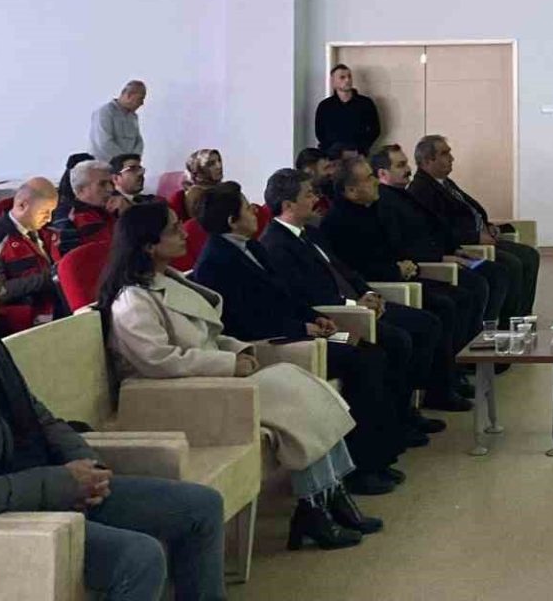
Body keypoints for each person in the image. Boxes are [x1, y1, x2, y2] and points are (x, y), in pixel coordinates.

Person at [0, 237, 227, 600]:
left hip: (51, 487)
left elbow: (36, 414)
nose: (3, 290)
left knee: (201, 507)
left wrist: (84, 463)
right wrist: (59, 483)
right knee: (139, 557)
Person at [99, 203, 375, 551]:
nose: (185, 232)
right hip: (179, 396)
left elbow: (209, 335)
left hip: (209, 380)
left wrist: (238, 350)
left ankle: (329, 496)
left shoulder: (168, 279)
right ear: (148, 245)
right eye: (173, 229)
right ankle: (315, 506)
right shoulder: (133, 300)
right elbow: (159, 361)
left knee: (306, 389)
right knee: (296, 404)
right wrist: (228, 364)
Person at [190, 183, 410, 494]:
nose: (254, 211)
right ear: (231, 220)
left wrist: (314, 317)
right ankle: (362, 469)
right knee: (361, 362)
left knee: (367, 348)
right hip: (278, 343)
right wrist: (302, 328)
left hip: (302, 331)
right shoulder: (216, 261)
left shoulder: (251, 247)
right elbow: (245, 320)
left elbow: (287, 295)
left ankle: (379, 455)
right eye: (246, 207)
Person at [260, 164, 470, 416]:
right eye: (308, 194)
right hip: (337, 317)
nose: (316, 199)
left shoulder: (311, 233)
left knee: (427, 323)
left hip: (358, 304)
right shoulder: (276, 245)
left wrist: (368, 293)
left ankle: (413, 406)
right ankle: (397, 418)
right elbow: (308, 294)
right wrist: (353, 305)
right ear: (288, 205)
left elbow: (345, 271)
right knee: (397, 341)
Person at [409, 135, 539, 322]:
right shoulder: (421, 190)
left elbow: (470, 209)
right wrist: (475, 236)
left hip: (482, 236)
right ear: (428, 161)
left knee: (530, 255)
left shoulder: (445, 182)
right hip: (466, 244)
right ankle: (508, 322)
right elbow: (441, 229)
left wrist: (487, 226)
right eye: (445, 154)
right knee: (513, 264)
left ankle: (523, 317)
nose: (451, 158)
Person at [370, 144, 494, 338]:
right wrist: (442, 257)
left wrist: (454, 249)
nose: (408, 169)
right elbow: (403, 245)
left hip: (441, 256)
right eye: (401, 165)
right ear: (382, 174)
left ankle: (482, 338)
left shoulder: (404, 195)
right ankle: (469, 348)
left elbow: (434, 229)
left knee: (490, 273)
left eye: (406, 164)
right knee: (475, 285)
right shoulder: (385, 203)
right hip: (423, 266)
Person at [0, 178, 69, 326]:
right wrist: (47, 279)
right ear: (22, 206)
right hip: (23, 321)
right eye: (44, 212)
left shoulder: (47, 233)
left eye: (52, 212)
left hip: (58, 308)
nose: (49, 218)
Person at [53, 159, 123, 255]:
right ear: (81, 189)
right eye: (102, 184)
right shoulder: (68, 218)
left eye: (111, 183)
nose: (110, 189)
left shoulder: (111, 211)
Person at [315, 65, 381, 156]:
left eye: (349, 76)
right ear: (333, 81)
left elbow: (375, 129)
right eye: (342, 77)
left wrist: (361, 148)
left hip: (358, 154)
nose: (347, 80)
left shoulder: (365, 103)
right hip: (332, 155)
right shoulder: (325, 106)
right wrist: (332, 149)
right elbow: (320, 132)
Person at [90, 81, 146, 163]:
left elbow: (138, 141)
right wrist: (124, 160)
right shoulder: (105, 112)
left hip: (126, 166)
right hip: (104, 165)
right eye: (140, 99)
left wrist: (134, 158)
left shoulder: (133, 117)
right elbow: (104, 142)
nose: (142, 103)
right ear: (129, 95)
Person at [181, 148, 223, 224]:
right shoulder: (195, 193)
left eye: (219, 161)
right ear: (199, 168)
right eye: (211, 164)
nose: (219, 166)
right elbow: (200, 223)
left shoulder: (219, 187)